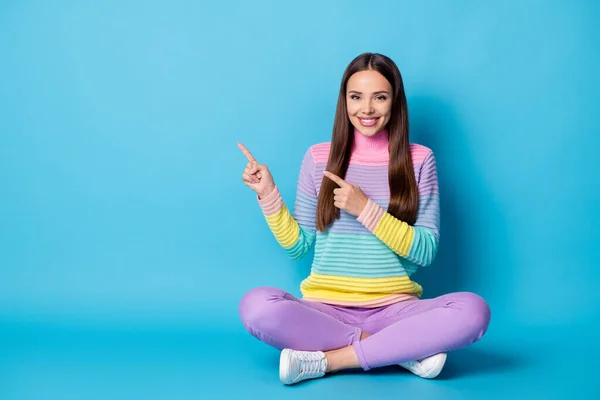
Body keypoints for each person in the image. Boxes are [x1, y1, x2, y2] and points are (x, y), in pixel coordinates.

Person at [237, 52, 491, 385]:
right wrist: (268, 194)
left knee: (474, 311)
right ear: (344, 102)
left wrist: (366, 210)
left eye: (379, 97)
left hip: (396, 312)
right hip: (325, 310)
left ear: (394, 102)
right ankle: (400, 352)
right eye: (356, 97)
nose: (366, 109)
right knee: (256, 306)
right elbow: (299, 246)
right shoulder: (318, 158)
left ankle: (329, 361)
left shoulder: (420, 160)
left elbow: (425, 251)